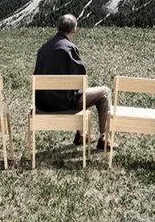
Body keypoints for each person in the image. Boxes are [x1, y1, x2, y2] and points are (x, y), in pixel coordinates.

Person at [33, 14, 114, 150]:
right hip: (64, 104)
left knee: (77, 92)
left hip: (42, 104)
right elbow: (81, 79)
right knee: (103, 93)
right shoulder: (70, 48)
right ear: (74, 30)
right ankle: (103, 138)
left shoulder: (43, 48)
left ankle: (82, 135)